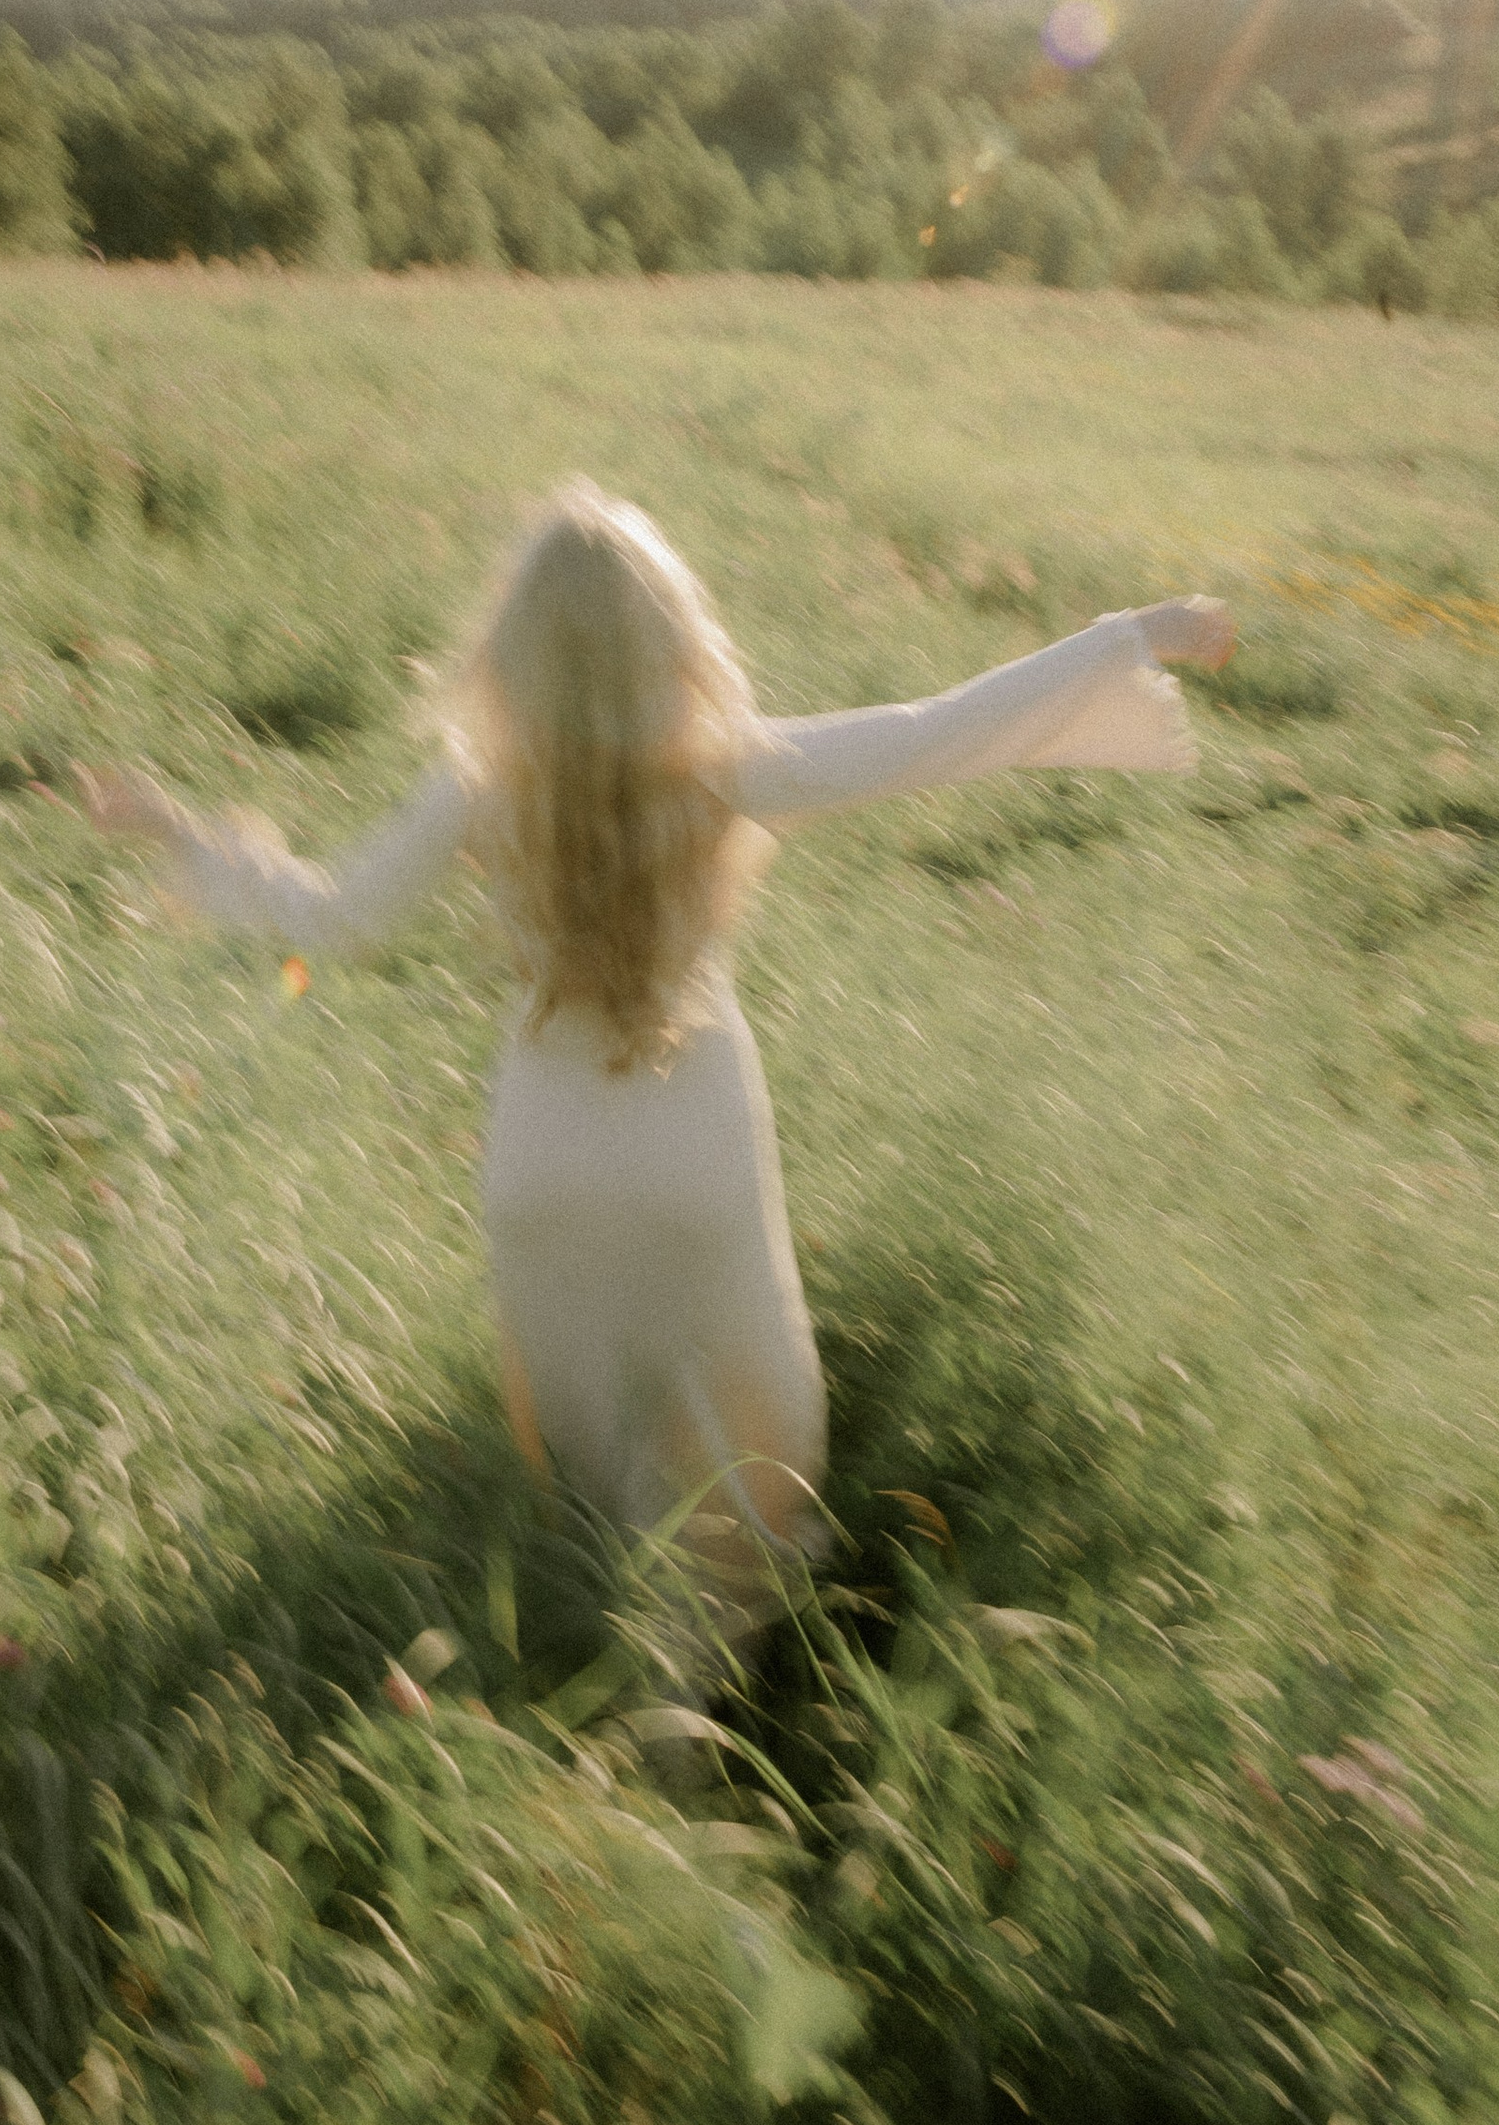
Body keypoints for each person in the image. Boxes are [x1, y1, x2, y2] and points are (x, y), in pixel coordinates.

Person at [80, 482, 1234, 1635]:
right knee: (734, 1429)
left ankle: (593, 1644)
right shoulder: (726, 766)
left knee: (594, 1438)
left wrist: (186, 838)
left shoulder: (480, 789)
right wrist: (1130, 637)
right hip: (693, 1144)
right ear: (671, 633)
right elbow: (931, 733)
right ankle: (719, 1662)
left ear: (513, 650)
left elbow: (340, 917)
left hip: (544, 1159)